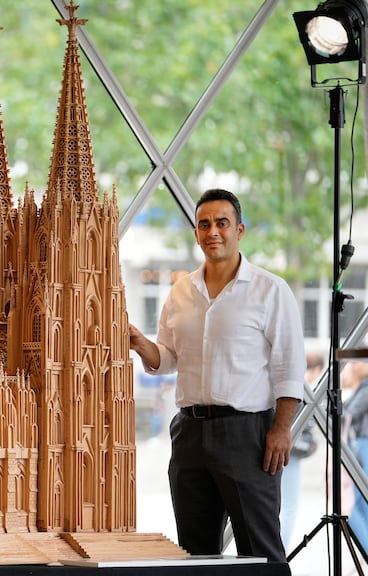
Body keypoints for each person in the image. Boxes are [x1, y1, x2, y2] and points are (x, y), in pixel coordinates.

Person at [129, 188, 305, 562]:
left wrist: (281, 429)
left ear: (239, 230)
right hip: (189, 434)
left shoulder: (270, 290)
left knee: (260, 551)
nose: (213, 232)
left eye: (221, 223)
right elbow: (170, 357)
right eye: (204, 224)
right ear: (196, 233)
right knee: (195, 553)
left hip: (248, 436)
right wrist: (139, 343)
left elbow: (289, 366)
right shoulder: (180, 291)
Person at [280, 351, 322, 548]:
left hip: (285, 450)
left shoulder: (289, 385)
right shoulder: (299, 391)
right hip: (289, 453)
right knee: (289, 507)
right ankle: (280, 554)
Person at [342, 358, 368, 549]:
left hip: (361, 445)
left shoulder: (366, 388)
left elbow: (349, 413)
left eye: (358, 363)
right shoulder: (362, 386)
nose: (354, 366)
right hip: (359, 445)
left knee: (354, 501)